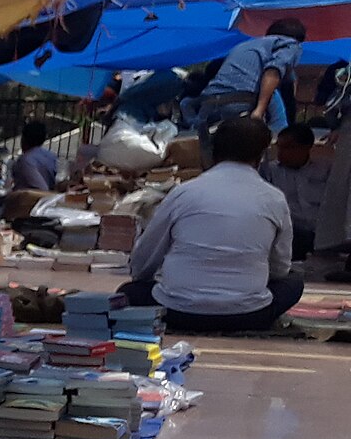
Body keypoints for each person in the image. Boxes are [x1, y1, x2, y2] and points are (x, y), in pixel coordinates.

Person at [122, 116, 301, 332]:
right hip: (248, 315)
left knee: (129, 291)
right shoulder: (274, 199)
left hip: (176, 311)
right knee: (294, 282)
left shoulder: (184, 192)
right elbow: (280, 269)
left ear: (212, 151)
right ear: (261, 156)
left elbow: (143, 259)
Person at [199, 18, 306, 134]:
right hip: (240, 101)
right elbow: (273, 72)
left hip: (209, 103)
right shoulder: (290, 44)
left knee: (213, 149)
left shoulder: (246, 45)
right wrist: (259, 111)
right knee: (251, 146)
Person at [261, 121, 325, 261]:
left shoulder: (324, 171)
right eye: (280, 147)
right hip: (290, 233)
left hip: (321, 230)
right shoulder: (270, 171)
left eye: (289, 148)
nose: (282, 153)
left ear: (307, 147)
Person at [8, 118, 59, 193]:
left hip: (26, 200)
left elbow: (42, 188)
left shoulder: (25, 161)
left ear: (24, 139)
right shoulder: (51, 156)